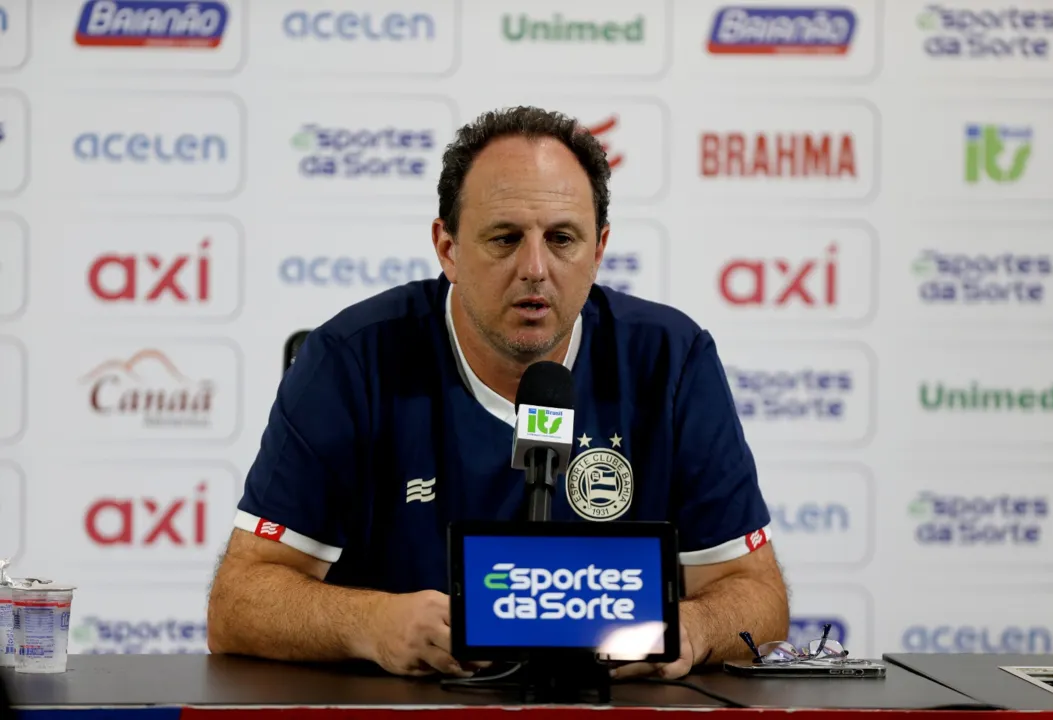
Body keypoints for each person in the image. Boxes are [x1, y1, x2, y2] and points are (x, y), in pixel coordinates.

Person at [207, 106, 789, 680]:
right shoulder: (353, 358)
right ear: (447, 248)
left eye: (562, 239)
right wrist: (373, 622)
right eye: (505, 238)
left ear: (600, 249)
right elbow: (238, 603)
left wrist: (689, 631)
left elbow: (756, 596)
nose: (534, 268)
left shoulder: (671, 358)